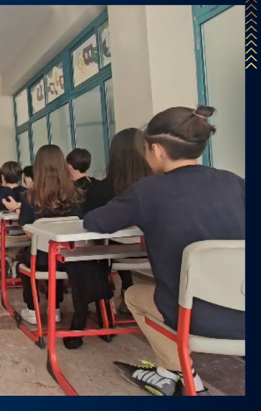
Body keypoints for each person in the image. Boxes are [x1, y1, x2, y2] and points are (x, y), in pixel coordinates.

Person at [83, 106, 244, 396]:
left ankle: (181, 375)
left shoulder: (147, 191)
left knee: (134, 296)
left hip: (195, 316)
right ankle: (171, 374)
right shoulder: (234, 182)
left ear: (156, 150)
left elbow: (95, 222)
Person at [3, 145, 112, 349]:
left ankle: (34, 310)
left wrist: (19, 214)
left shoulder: (30, 197)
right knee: (53, 256)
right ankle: (55, 308)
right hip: (74, 258)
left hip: (44, 260)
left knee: (25, 261)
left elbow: (30, 233)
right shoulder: (78, 193)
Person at [85, 128, 153, 315]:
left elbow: (89, 220)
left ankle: (111, 294)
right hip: (153, 252)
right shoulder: (160, 186)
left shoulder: (103, 189)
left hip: (115, 253)